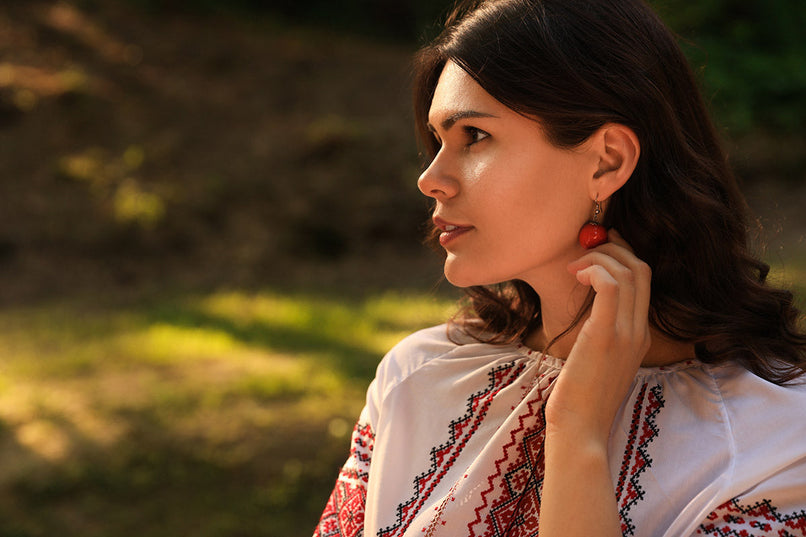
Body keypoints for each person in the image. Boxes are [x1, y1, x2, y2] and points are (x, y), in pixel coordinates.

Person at [312, 0, 806, 535]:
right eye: (437, 141)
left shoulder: (776, 441)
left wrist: (578, 431)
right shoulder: (417, 378)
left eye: (474, 136)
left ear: (607, 161)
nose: (429, 179)